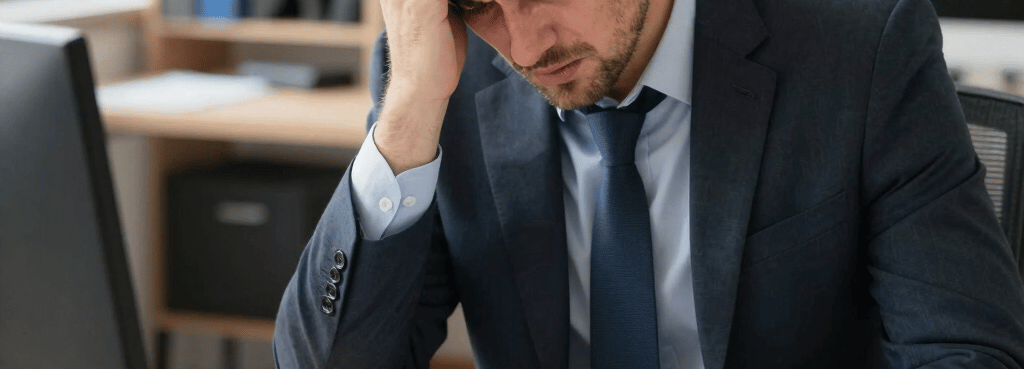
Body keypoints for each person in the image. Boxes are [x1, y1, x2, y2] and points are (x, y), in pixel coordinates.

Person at [272, 0, 1024, 366]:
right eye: (482, 4)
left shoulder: (861, 44)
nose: (527, 47)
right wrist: (407, 112)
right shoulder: (444, 80)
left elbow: (963, 352)